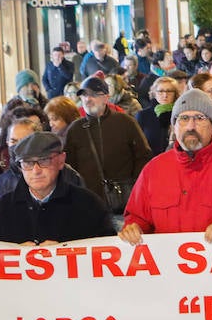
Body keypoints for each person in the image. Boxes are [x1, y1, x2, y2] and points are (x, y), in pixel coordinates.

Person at [118, 88, 212, 243]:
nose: (191, 126)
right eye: (184, 118)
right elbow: (137, 218)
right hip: (167, 265)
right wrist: (134, 228)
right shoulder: (153, 170)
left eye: (200, 118)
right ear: (174, 126)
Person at [0, 132, 115, 244]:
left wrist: (63, 252)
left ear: (61, 161)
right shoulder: (1, 208)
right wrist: (13, 253)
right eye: (27, 163)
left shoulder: (88, 205)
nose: (36, 170)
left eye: (44, 160)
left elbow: (107, 249)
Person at [65, 76, 155, 215]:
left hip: (123, 202)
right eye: (84, 95)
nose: (88, 99)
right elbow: (69, 166)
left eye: (94, 94)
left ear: (106, 97)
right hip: (89, 205)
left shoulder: (125, 122)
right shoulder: (75, 129)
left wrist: (135, 188)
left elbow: (143, 156)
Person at [136, 76, 179, 156]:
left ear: (175, 94)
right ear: (154, 93)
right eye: (161, 91)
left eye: (169, 91)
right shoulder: (143, 115)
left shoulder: (179, 114)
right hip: (150, 162)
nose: (165, 95)